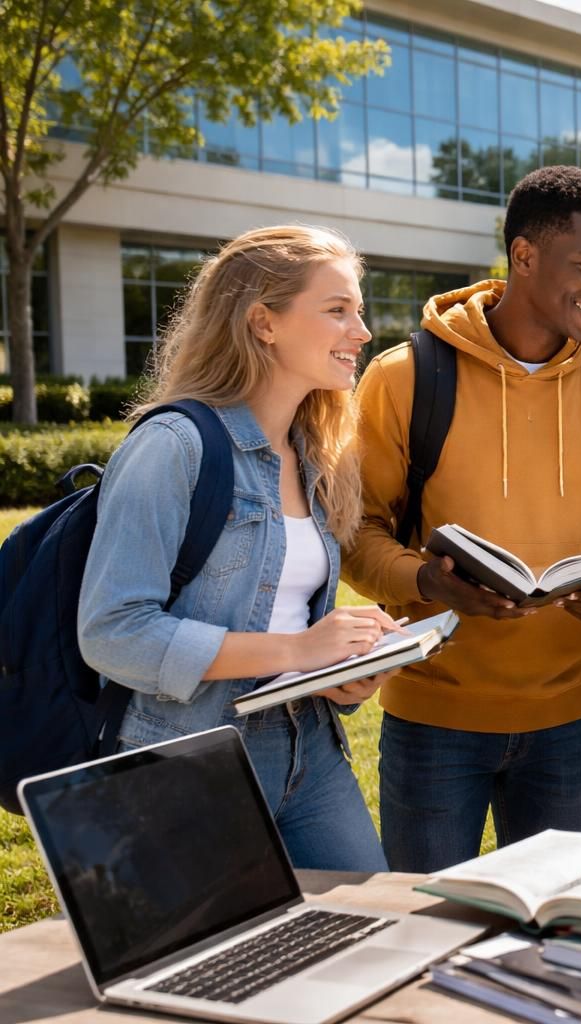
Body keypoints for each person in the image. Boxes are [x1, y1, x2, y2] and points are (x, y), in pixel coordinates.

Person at [342, 167, 581, 873]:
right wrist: (429, 580)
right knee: (426, 934)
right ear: (523, 257)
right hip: (433, 721)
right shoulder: (405, 378)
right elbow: (357, 532)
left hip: (567, 723)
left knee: (547, 940)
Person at [78, 225, 397, 871]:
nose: (360, 331)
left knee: (368, 932)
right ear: (263, 323)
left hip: (308, 745)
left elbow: (288, 618)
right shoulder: (173, 445)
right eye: (337, 310)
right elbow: (112, 632)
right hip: (193, 753)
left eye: (357, 310)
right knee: (214, 963)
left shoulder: (314, 455)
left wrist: (339, 672)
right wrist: (299, 650)